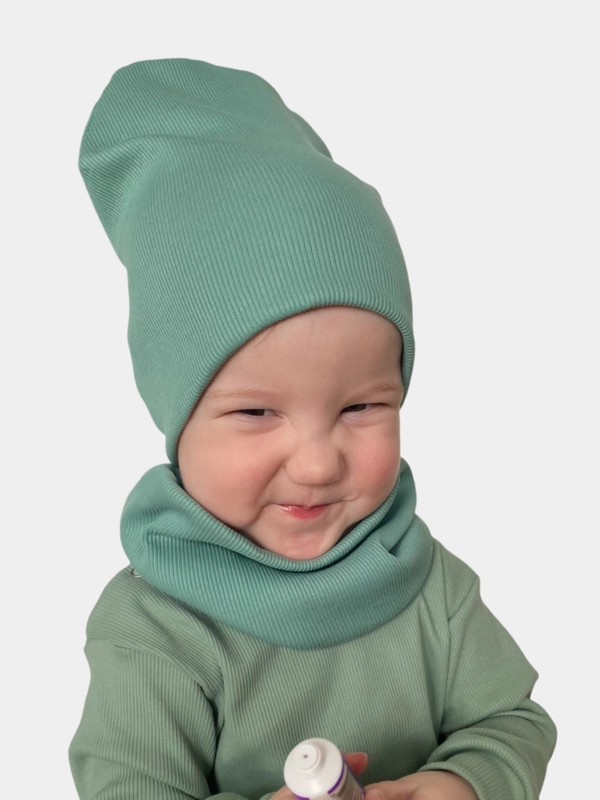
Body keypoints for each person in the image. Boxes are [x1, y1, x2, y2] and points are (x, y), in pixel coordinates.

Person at [68, 57, 557, 800]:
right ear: (175, 414)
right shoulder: (156, 627)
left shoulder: (427, 583)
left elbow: (513, 721)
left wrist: (466, 781)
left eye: (362, 407)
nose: (319, 464)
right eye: (257, 412)